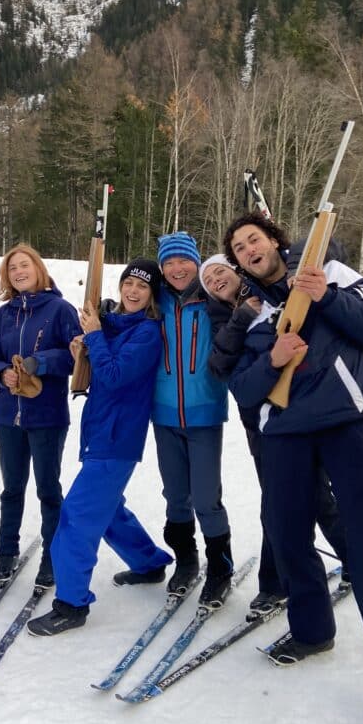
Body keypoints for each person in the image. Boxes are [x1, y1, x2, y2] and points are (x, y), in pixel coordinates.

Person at [224, 212, 363, 724]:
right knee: (288, 538)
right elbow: (245, 391)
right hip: (285, 436)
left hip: (347, 425)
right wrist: (272, 359)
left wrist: (323, 297)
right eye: (239, 248)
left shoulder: (331, 273)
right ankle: (314, 632)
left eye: (254, 239)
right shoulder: (254, 314)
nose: (249, 250)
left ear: (274, 240)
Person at [27, 259, 172, 636]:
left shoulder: (148, 332)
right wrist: (85, 345)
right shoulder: (113, 324)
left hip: (117, 438)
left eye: (143, 287)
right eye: (129, 283)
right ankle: (149, 562)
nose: (134, 291)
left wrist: (92, 338)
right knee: (108, 511)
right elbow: (97, 363)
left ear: (152, 295)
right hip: (99, 433)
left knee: (75, 517)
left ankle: (71, 604)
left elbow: (114, 375)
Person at [203, 251, 349, 615]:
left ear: (237, 270)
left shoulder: (273, 289)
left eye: (220, 271)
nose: (216, 279)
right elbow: (220, 364)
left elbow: (330, 252)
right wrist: (242, 316)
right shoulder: (219, 316)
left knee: (318, 498)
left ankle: (359, 564)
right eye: (208, 280)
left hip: (305, 411)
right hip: (263, 424)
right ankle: (277, 583)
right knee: (280, 503)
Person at [0, 244, 82, 588]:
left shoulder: (60, 309)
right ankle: (5, 553)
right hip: (9, 415)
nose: (19, 272)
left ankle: (53, 557)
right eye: (12, 269)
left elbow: (75, 358)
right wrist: (1, 374)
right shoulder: (3, 315)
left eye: (24, 265)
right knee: (11, 489)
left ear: (38, 268)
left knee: (48, 490)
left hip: (47, 416)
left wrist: (41, 361)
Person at [150, 232, 234, 609]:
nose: (176, 268)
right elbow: (126, 316)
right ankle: (186, 561)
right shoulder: (157, 302)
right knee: (174, 496)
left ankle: (220, 569)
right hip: (164, 414)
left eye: (183, 261)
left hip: (204, 413)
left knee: (206, 498)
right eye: (168, 263)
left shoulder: (212, 299)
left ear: (196, 262)